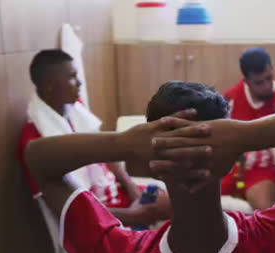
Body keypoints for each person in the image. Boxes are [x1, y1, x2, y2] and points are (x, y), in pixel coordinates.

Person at [25, 81, 275, 253]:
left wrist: (124, 145)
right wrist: (246, 135)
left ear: (152, 164)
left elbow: (39, 160)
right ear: (229, 162)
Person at [17, 49, 170, 226]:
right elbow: (68, 212)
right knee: (170, 216)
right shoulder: (35, 141)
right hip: (98, 218)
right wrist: (133, 216)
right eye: (72, 77)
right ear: (49, 85)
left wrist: (132, 189)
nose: (79, 83)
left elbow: (107, 155)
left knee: (173, 200)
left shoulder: (73, 110)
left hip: (116, 198)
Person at [223, 47, 275, 210]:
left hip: (264, 169)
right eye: (259, 83)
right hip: (232, 166)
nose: (267, 86)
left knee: (265, 211)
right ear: (246, 81)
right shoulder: (231, 98)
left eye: (269, 78)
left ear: (272, 69)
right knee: (199, 198)